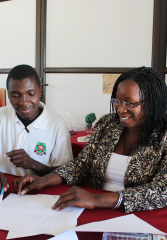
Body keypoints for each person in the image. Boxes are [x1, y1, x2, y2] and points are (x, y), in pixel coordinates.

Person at [13, 66, 167, 213]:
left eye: (129, 103)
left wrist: (96, 199)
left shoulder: (163, 136)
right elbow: (82, 165)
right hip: (97, 211)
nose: (120, 109)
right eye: (117, 100)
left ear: (152, 103)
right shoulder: (108, 124)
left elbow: (161, 191)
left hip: (141, 216)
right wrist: (44, 180)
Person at [0, 64, 73, 198]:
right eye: (15, 95)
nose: (23, 102)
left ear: (40, 91)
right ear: (8, 94)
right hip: (4, 193)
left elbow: (66, 173)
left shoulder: (56, 124)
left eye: (31, 94)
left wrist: (33, 164)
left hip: (41, 195)